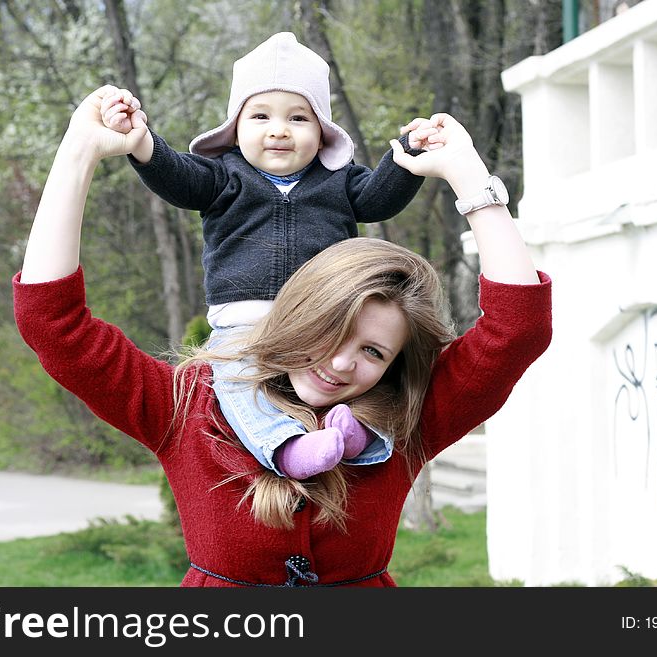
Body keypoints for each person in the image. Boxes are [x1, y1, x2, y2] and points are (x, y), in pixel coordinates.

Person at [13, 85, 552, 587]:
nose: (341, 364)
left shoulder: (408, 417)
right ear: (298, 314)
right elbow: (54, 327)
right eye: (329, 330)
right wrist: (79, 153)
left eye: (372, 351)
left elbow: (518, 329)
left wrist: (469, 178)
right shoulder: (187, 407)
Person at [98, 32, 430, 480]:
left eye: (297, 117)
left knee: (358, 372)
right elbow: (178, 178)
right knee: (236, 383)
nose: (279, 129)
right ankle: (287, 447)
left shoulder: (339, 181)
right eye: (261, 116)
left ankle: (358, 434)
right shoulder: (221, 178)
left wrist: (405, 155)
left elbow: (378, 200)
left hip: (326, 321)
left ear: (321, 131)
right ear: (236, 128)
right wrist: (142, 142)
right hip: (244, 323)